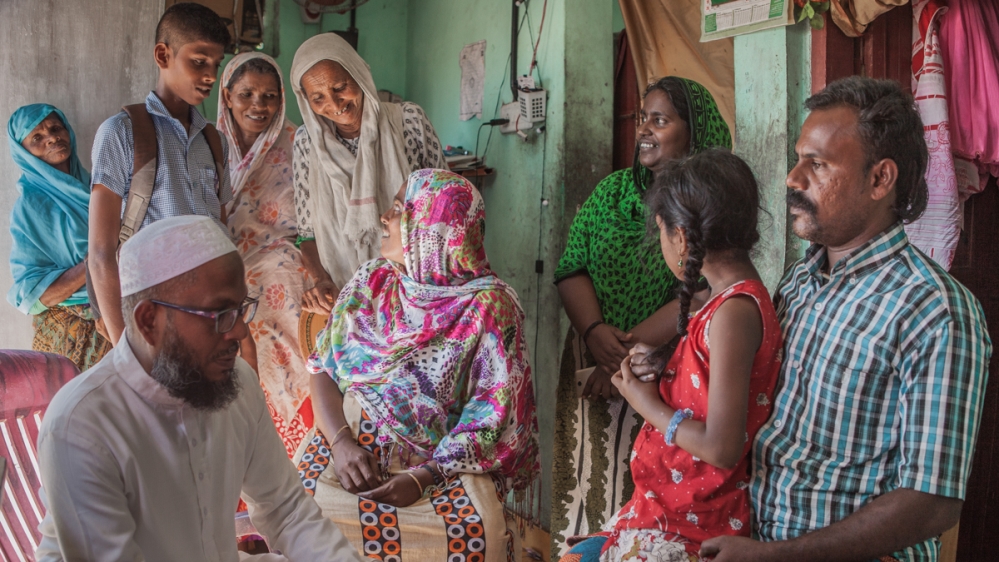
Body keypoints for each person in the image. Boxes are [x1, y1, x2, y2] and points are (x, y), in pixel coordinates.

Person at [701, 77, 992, 562]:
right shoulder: (798, 282)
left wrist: (779, 556)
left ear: (880, 179)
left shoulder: (935, 311)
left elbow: (932, 502)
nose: (793, 178)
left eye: (817, 165)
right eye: (799, 159)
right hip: (749, 541)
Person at [34, 215, 363, 562]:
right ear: (149, 321)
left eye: (239, 310)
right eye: (220, 314)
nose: (239, 333)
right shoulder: (80, 427)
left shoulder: (235, 383)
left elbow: (287, 510)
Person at [294, 169, 539, 561]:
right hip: (347, 450)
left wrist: (423, 477)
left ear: (435, 224)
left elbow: (491, 416)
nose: (384, 219)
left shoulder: (490, 306)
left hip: (444, 467)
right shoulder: (372, 281)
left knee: (479, 535)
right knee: (302, 518)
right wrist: (341, 444)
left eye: (398, 209)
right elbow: (322, 368)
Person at [559, 149, 782, 562]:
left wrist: (645, 403)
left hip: (699, 521)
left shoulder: (734, 312)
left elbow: (722, 446)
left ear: (680, 237)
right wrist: (664, 368)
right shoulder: (722, 305)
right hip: (671, 507)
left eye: (661, 232)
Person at [551, 76, 732, 552]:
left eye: (660, 119)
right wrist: (593, 334)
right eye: (642, 118)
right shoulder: (612, 192)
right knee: (582, 477)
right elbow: (572, 268)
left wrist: (624, 354)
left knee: (638, 489)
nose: (644, 130)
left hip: (660, 365)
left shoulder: (707, 206)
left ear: (693, 132)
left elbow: (697, 293)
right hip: (591, 353)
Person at [89, 2, 233, 346]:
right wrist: (123, 342)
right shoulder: (121, 133)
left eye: (216, 64)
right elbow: (100, 252)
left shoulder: (215, 142)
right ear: (162, 54)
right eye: (199, 62)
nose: (211, 75)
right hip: (147, 311)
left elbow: (222, 234)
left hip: (205, 314)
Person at [290, 33, 447, 315]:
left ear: (358, 73)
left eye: (340, 86)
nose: (335, 103)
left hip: (416, 290)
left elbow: (445, 208)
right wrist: (321, 279)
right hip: (346, 294)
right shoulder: (306, 143)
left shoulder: (408, 121)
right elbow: (307, 233)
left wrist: (428, 285)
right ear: (305, 101)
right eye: (318, 97)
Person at [217, 51, 312, 456]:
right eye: (247, 94)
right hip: (219, 264)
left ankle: (295, 441)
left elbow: (310, 223)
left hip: (280, 261)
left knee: (278, 289)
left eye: (269, 96)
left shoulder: (298, 145)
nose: (258, 105)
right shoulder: (208, 144)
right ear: (226, 95)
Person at [6, 104, 111, 371]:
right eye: (36, 138)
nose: (52, 138)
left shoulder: (99, 190)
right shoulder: (30, 207)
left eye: (55, 128)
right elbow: (31, 295)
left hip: (117, 318)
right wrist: (94, 262)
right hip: (68, 338)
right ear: (24, 152)